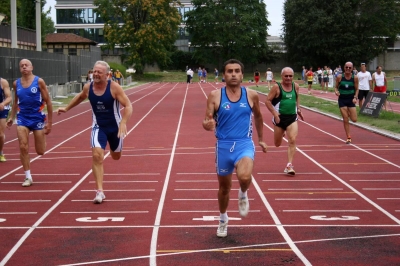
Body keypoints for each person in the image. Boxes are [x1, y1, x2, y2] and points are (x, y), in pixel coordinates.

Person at [202, 59, 267, 238]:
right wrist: (207, 124)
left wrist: (261, 139)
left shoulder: (251, 95)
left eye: (237, 71)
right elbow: (207, 119)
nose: (233, 74)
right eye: (229, 71)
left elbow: (259, 117)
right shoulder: (215, 95)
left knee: (245, 177)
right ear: (223, 75)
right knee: (224, 188)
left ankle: (243, 193)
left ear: (241, 74)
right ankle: (223, 219)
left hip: (244, 143)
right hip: (223, 146)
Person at [57, 61, 132, 203]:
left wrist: (123, 122)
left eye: (99, 72)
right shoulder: (88, 87)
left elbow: (128, 105)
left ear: (107, 75)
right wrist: (66, 108)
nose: (96, 74)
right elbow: (80, 97)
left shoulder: (114, 88)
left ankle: (115, 148)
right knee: (97, 155)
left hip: (115, 128)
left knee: (116, 156)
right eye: (94, 71)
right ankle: (99, 191)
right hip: (99, 127)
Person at [6, 59, 53, 186]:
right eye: (22, 66)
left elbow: (48, 102)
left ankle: (42, 139)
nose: (24, 67)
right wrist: (11, 117)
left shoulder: (39, 81)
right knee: (23, 146)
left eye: (26, 65)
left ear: (32, 67)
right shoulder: (16, 83)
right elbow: (16, 102)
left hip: (37, 118)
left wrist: (49, 123)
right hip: (22, 118)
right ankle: (28, 176)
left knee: (40, 151)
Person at [265, 67, 304, 176]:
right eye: (286, 76)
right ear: (282, 76)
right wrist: (274, 114)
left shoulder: (295, 86)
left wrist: (299, 109)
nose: (288, 78)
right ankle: (282, 131)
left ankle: (289, 165)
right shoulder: (276, 87)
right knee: (277, 144)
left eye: (290, 76)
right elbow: (267, 101)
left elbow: (297, 98)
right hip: (279, 119)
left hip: (292, 118)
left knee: (292, 139)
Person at [335, 62, 359, 144]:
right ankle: (348, 137)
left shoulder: (355, 78)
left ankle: (349, 112)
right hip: (342, 99)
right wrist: (336, 91)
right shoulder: (339, 77)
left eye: (349, 67)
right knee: (345, 119)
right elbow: (336, 87)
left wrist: (355, 97)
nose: (348, 69)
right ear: (344, 68)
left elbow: (357, 89)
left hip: (351, 99)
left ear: (352, 69)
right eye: (346, 67)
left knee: (354, 119)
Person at [0, 77, 11, 162]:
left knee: (0, 134)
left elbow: (9, 97)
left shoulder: (3, 82)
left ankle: (0, 153)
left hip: (2, 109)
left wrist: (3, 103)